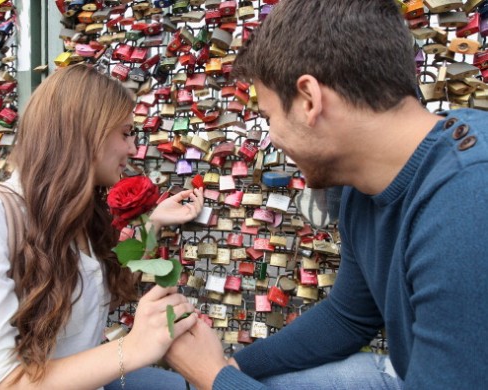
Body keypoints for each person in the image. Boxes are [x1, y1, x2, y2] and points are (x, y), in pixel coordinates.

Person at [165, 1, 488, 389]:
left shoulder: (469, 203)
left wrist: (211, 378)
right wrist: (235, 368)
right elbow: (348, 316)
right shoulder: (363, 182)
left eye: (269, 118)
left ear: (308, 100)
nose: (273, 138)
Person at [0, 64, 204, 389]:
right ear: (87, 131)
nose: (133, 149)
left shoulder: (79, 217)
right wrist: (132, 347)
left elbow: (93, 290)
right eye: (126, 133)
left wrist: (155, 221)